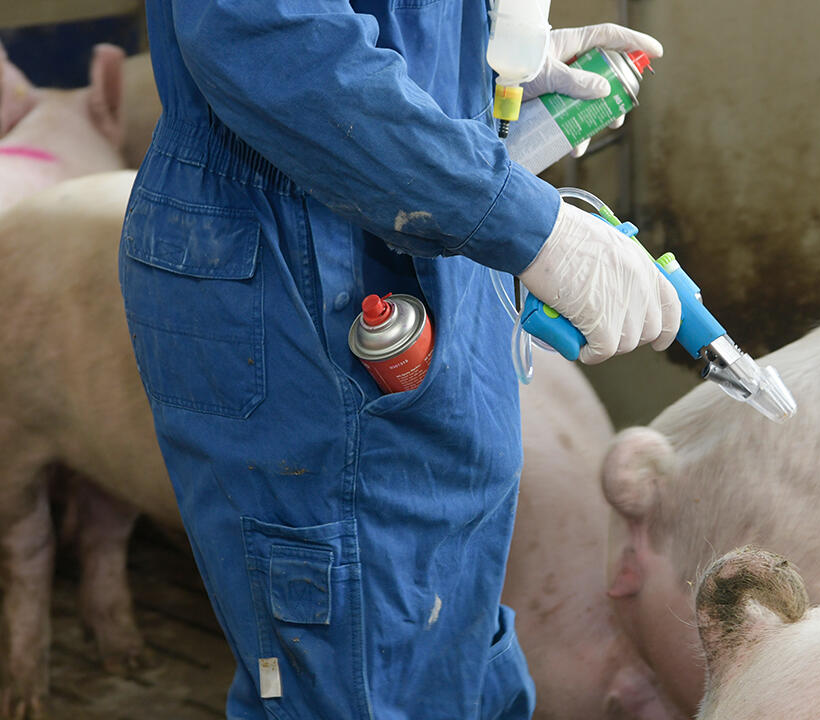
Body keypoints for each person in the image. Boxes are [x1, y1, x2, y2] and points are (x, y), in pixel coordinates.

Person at [117, 2, 679, 719]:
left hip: (418, 227)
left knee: (449, 636)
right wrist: (527, 223)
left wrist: (479, 63)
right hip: (305, 266)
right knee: (362, 667)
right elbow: (268, 33)